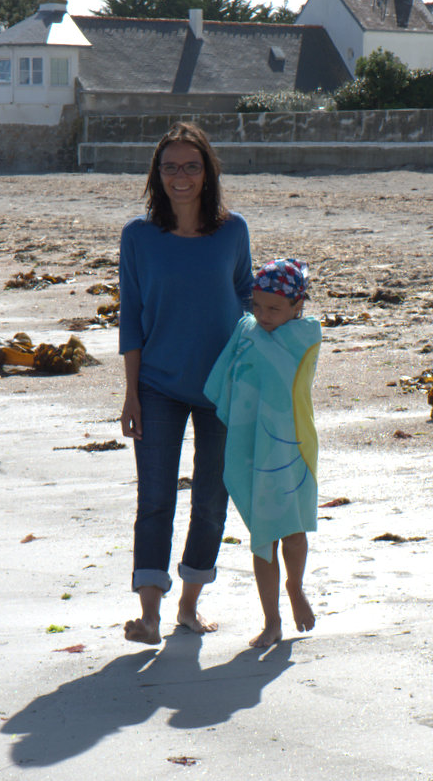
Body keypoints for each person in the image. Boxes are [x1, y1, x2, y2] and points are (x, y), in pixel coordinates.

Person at [119, 122, 253, 645]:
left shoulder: (233, 231)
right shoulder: (138, 236)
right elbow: (131, 317)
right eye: (170, 166)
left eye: (191, 166)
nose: (181, 176)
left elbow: (248, 303)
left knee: (211, 502)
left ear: (207, 172)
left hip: (223, 388)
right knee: (155, 500)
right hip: (157, 386)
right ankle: (149, 615)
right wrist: (131, 393)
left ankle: (189, 607)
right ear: (157, 173)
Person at [204, 258, 321, 648]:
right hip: (251, 443)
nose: (263, 315)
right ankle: (271, 621)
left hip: (292, 443)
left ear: (297, 305)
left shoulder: (306, 336)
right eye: (257, 306)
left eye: (274, 308)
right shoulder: (247, 331)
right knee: (263, 535)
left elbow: (287, 376)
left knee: (294, 529)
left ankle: (295, 586)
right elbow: (230, 376)